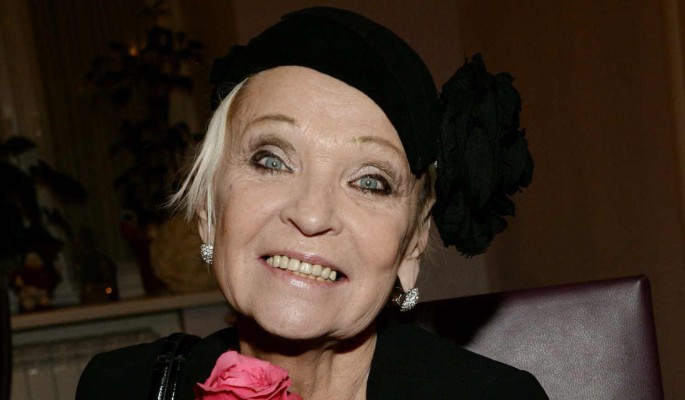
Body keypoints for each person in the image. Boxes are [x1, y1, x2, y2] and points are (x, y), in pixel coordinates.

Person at [77, 7, 547, 400]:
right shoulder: (120, 387)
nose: (311, 214)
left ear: (412, 243)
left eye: (370, 182)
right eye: (272, 160)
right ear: (207, 208)